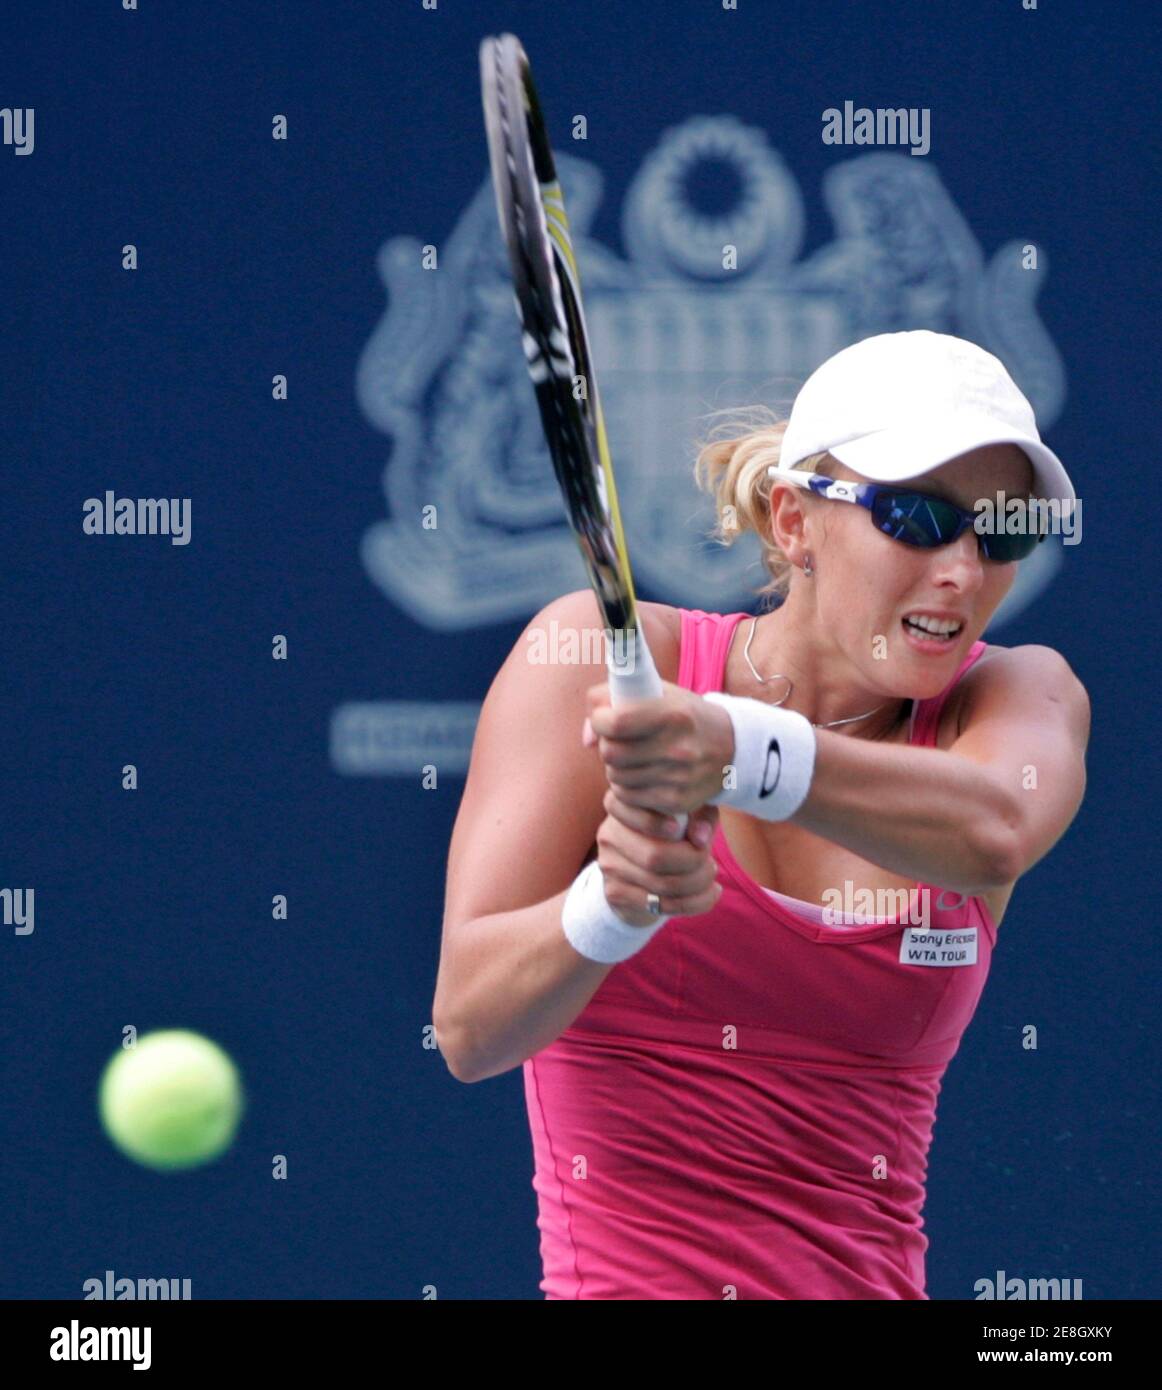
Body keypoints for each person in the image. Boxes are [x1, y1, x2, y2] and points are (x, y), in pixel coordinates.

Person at [433, 330, 1091, 1299]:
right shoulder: (583, 654)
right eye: (915, 517)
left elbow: (995, 823)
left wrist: (739, 750)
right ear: (793, 520)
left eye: (999, 533)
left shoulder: (1017, 698)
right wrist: (611, 906)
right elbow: (467, 1027)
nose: (961, 570)